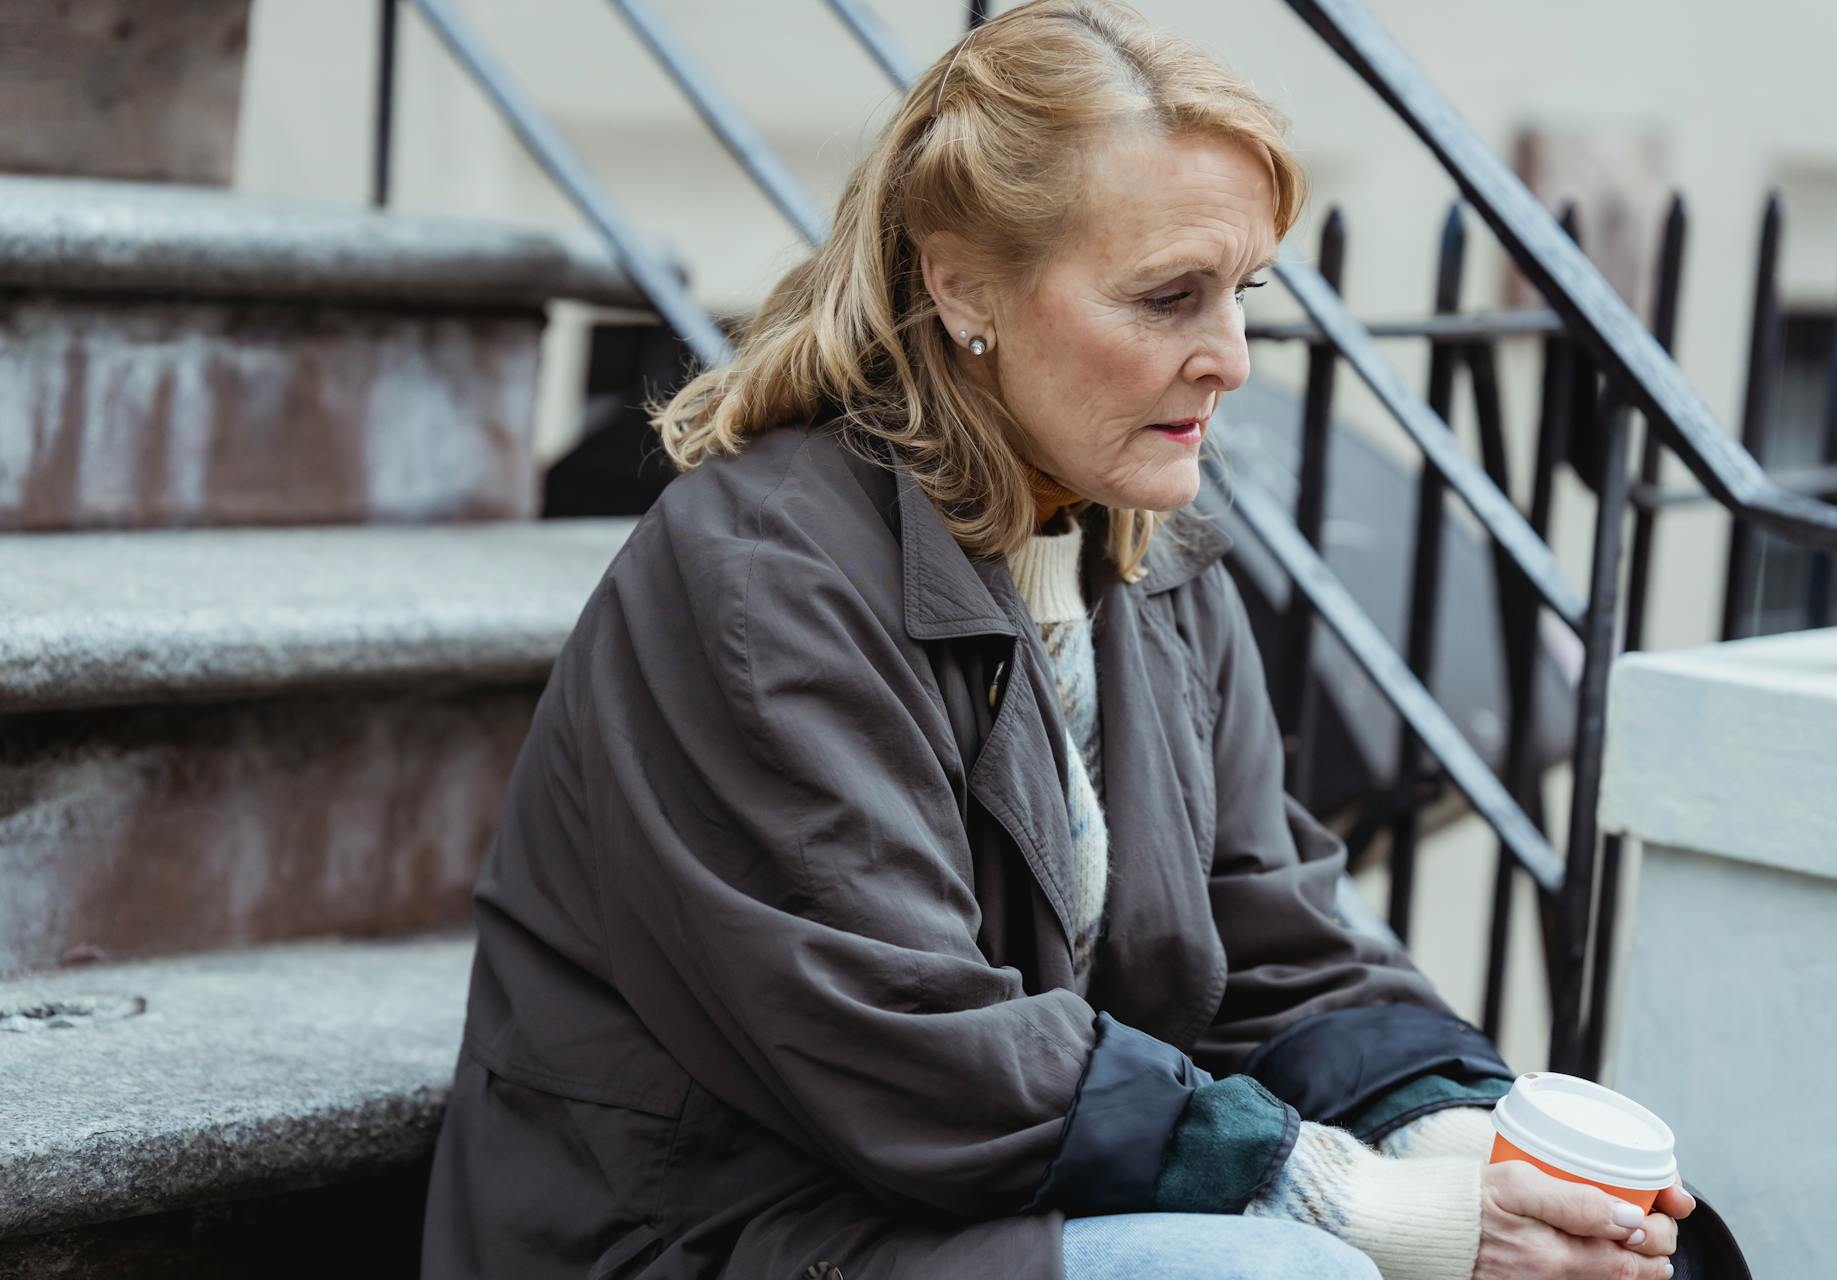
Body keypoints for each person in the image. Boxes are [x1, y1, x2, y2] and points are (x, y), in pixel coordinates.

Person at [420, 3, 1693, 1276]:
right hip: (719, 1230)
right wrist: (1353, 1202)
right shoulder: (760, 581)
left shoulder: (1145, 553)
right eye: (1167, 298)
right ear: (963, 282)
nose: (1232, 358)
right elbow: (907, 1041)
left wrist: (1454, 1133)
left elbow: (1272, 934)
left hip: (955, 1208)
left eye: (1240, 291)